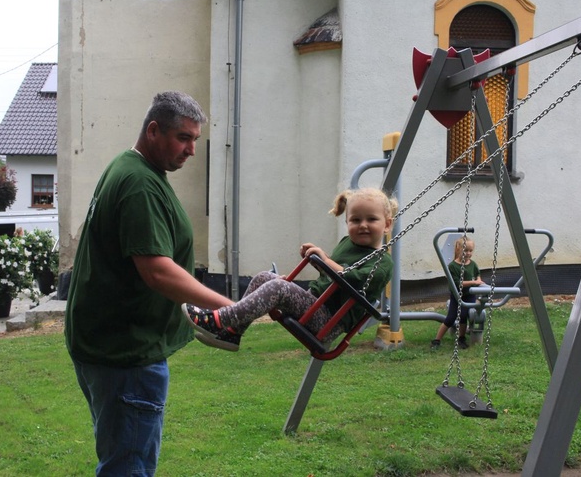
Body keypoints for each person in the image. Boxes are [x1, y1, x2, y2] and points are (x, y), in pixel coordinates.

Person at [65, 91, 234, 476]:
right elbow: (157, 269)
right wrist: (227, 307)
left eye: (195, 139)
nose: (192, 149)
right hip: (126, 353)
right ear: (153, 130)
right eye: (183, 138)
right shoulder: (139, 183)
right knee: (128, 466)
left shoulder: (131, 168)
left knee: (121, 456)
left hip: (107, 344)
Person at [182, 187, 398, 351]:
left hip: (328, 321)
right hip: (314, 303)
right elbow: (331, 274)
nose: (362, 225)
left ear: (387, 225)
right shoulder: (347, 242)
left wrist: (324, 260)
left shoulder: (383, 262)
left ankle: (220, 319)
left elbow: (353, 280)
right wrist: (318, 261)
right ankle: (232, 333)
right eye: (355, 219)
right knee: (264, 278)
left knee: (277, 287)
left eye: (372, 219)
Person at [431, 236, 484, 350]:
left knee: (463, 317)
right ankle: (437, 340)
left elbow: (477, 274)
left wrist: (478, 280)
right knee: (450, 318)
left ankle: (461, 338)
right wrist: (473, 282)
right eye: (466, 250)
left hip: (469, 295)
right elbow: (457, 283)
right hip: (457, 296)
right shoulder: (453, 266)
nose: (468, 253)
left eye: (470, 251)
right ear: (459, 250)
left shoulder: (473, 264)